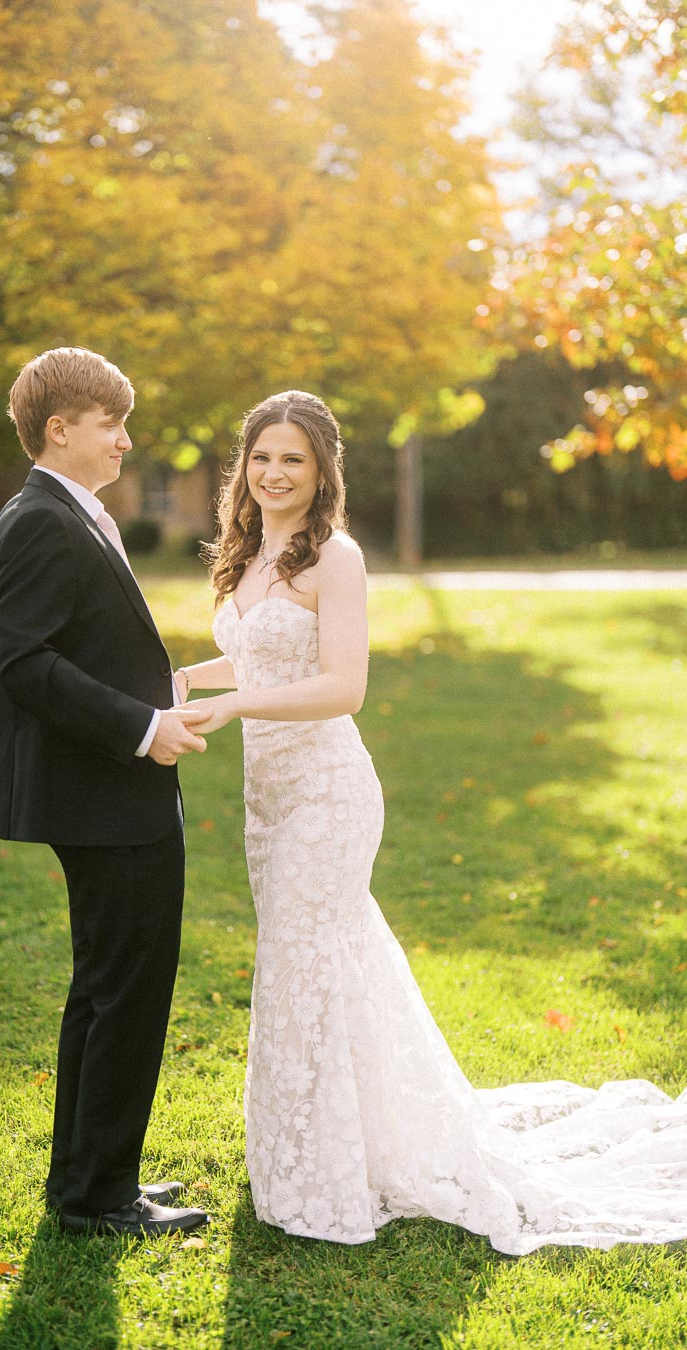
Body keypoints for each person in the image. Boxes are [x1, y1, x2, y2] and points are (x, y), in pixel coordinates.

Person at [176, 389, 687, 1252]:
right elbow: (264, 648)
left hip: (329, 795)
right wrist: (192, 682)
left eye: (293, 459)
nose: (274, 473)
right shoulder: (253, 551)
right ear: (244, 466)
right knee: (319, 963)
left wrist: (236, 708)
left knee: (305, 964)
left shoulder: (336, 556)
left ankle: (320, 1174)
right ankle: (334, 1144)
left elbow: (343, 685)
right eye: (262, 456)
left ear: (322, 470)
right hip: (269, 799)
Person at [0, 347, 211, 1238]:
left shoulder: (72, 512)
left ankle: (91, 1180)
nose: (125, 440)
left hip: (111, 786)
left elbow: (83, 642)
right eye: (111, 425)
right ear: (59, 429)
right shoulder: (39, 519)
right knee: (125, 991)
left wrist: (162, 694)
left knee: (108, 987)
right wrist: (143, 730)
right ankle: (98, 1197)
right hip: (103, 791)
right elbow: (24, 662)